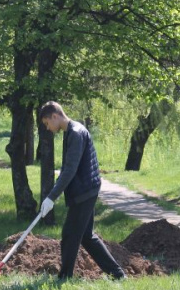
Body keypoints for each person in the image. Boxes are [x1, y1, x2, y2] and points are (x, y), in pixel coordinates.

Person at [38, 101, 127, 280]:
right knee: (86, 236)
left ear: (55, 116)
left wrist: (51, 197)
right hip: (86, 189)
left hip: (85, 191)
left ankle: (64, 277)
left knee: (70, 235)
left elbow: (70, 170)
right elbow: (67, 168)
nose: (47, 128)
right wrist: (54, 191)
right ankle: (118, 275)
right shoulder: (70, 131)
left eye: (47, 123)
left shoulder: (76, 133)